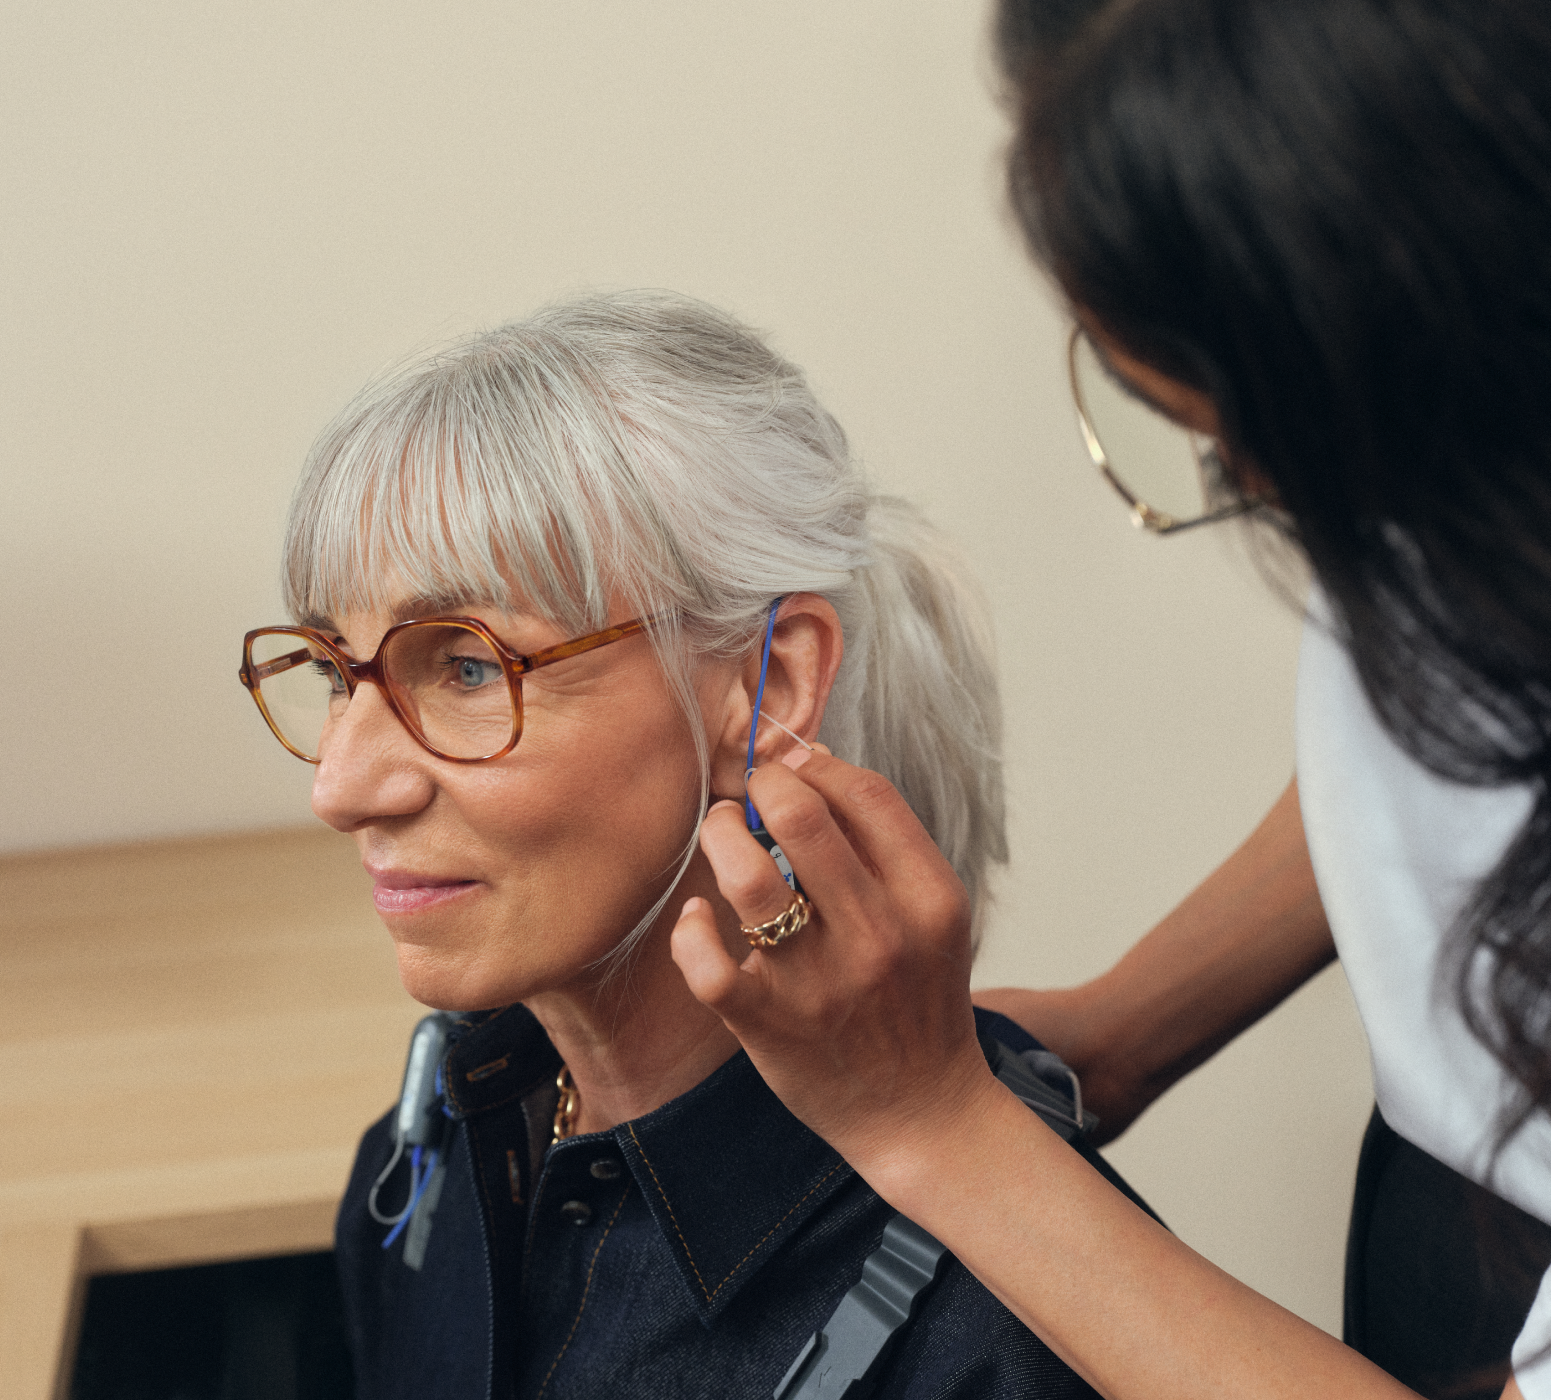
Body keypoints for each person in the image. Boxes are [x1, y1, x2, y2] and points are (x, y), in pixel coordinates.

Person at [669, 3, 1551, 1399]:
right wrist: (1122, 1030)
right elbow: (1449, 759)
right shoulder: (1534, 464)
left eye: (1239, 439)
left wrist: (937, 1130)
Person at [236, 290, 1136, 1398]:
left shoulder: (996, 1344)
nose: (339, 785)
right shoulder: (431, 1152)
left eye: (468, 665)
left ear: (768, 685)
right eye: (335, 671)